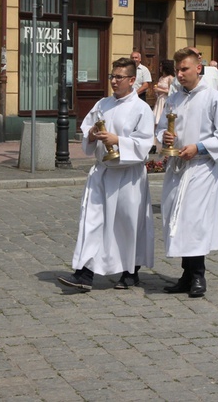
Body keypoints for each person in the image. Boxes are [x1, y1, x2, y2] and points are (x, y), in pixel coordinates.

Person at [58, 58, 155, 292]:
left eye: (119, 77)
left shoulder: (141, 109)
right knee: (91, 222)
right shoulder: (102, 103)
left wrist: (117, 141)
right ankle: (84, 274)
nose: (113, 80)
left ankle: (130, 271)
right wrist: (91, 134)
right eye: (112, 76)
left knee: (127, 224)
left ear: (132, 80)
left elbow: (145, 144)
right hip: (102, 173)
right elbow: (87, 129)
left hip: (127, 175)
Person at [157, 48, 218, 298]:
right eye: (177, 70)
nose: (179, 74)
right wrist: (165, 138)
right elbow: (160, 128)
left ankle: (198, 275)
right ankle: (186, 274)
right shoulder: (174, 98)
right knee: (177, 220)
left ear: (198, 68)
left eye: (185, 69)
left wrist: (199, 147)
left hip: (201, 166)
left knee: (194, 220)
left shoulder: (214, 97)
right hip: (178, 166)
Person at [151, 59, 175, 154]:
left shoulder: (170, 78)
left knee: (162, 121)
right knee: (155, 122)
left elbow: (171, 91)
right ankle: (154, 144)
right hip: (159, 100)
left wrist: (160, 89)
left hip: (165, 100)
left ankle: (160, 145)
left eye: (161, 66)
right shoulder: (161, 78)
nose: (160, 68)